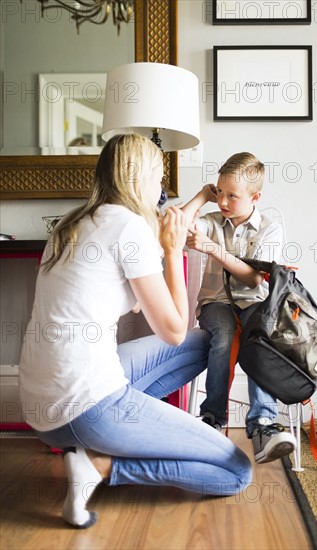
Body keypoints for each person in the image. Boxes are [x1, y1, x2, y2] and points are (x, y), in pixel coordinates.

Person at [18, 134, 252, 529]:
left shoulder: (70, 226)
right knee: (236, 471)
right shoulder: (128, 228)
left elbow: (144, 298)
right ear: (140, 177)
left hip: (42, 411)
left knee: (206, 343)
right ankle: (99, 466)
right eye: (158, 178)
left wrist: (179, 224)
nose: (160, 189)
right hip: (88, 408)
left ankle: (104, 445)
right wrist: (176, 252)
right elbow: (173, 330)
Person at [182, 152, 297, 464]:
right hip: (216, 304)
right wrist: (201, 196)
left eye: (231, 196)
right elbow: (174, 227)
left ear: (255, 197)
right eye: (220, 192)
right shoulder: (212, 222)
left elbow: (253, 280)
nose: (223, 202)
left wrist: (212, 249)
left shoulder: (269, 229)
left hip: (254, 302)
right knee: (223, 336)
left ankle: (262, 426)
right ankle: (212, 419)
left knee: (259, 338)